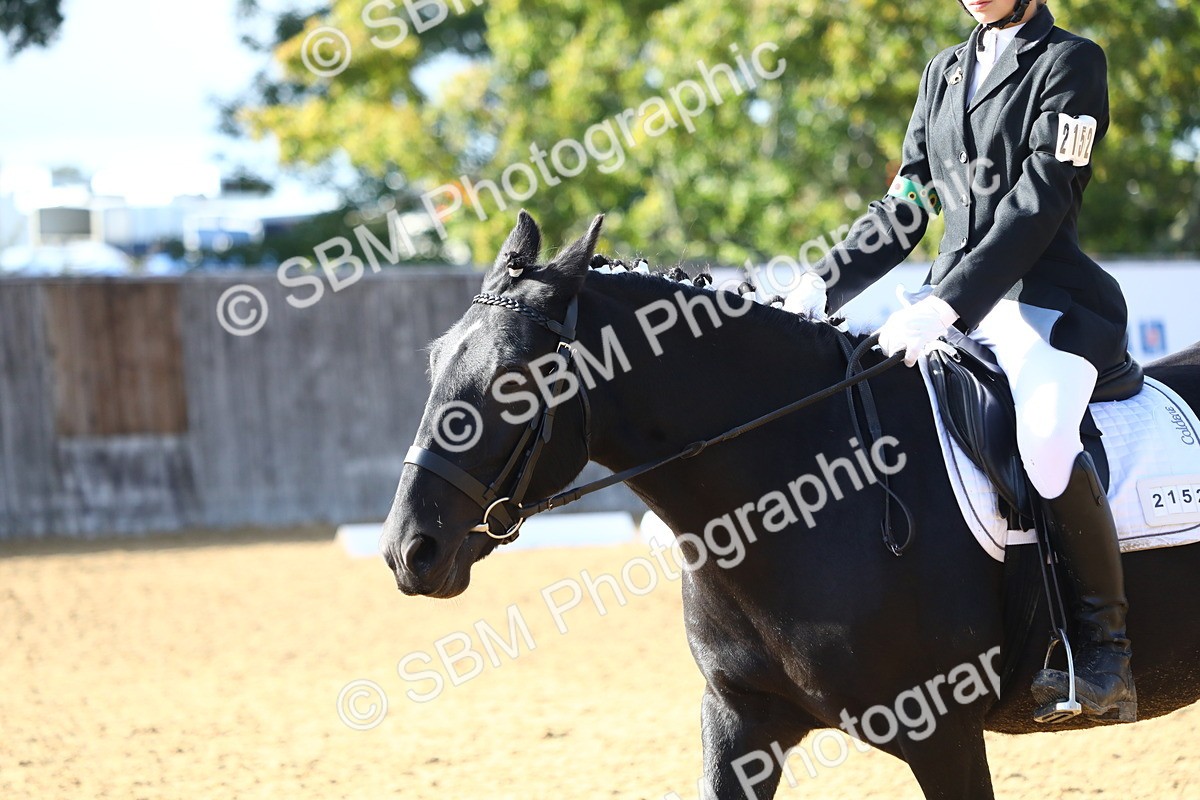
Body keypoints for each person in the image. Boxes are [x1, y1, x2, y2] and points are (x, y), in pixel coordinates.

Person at [812, 0, 1136, 722]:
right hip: (948, 304)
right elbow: (910, 202)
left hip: (1046, 303)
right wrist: (822, 282)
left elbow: (1039, 200)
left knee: (1048, 441)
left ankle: (1105, 654)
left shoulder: (1071, 61)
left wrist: (947, 302)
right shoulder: (944, 71)